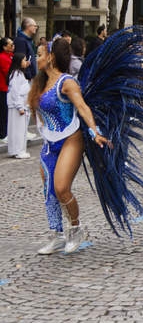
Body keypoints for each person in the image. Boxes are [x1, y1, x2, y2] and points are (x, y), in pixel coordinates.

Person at [29, 38, 111, 254]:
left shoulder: (67, 82)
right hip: (50, 143)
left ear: (51, 57)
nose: (36, 58)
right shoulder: (39, 83)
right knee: (49, 191)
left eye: (39, 54)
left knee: (61, 188)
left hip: (71, 139)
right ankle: (56, 234)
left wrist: (94, 132)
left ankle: (75, 228)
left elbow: (82, 107)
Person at [6, 53, 31, 158]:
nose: (26, 62)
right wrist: (20, 107)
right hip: (18, 107)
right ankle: (18, 151)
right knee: (18, 130)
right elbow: (15, 92)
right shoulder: (16, 74)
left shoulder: (18, 73)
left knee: (16, 129)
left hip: (19, 105)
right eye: (24, 60)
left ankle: (16, 150)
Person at [0, 37, 14, 141]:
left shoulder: (10, 56)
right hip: (3, 88)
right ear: (4, 47)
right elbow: (8, 73)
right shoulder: (2, 57)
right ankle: (3, 134)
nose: (13, 46)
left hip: (7, 87)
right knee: (3, 112)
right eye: (10, 44)